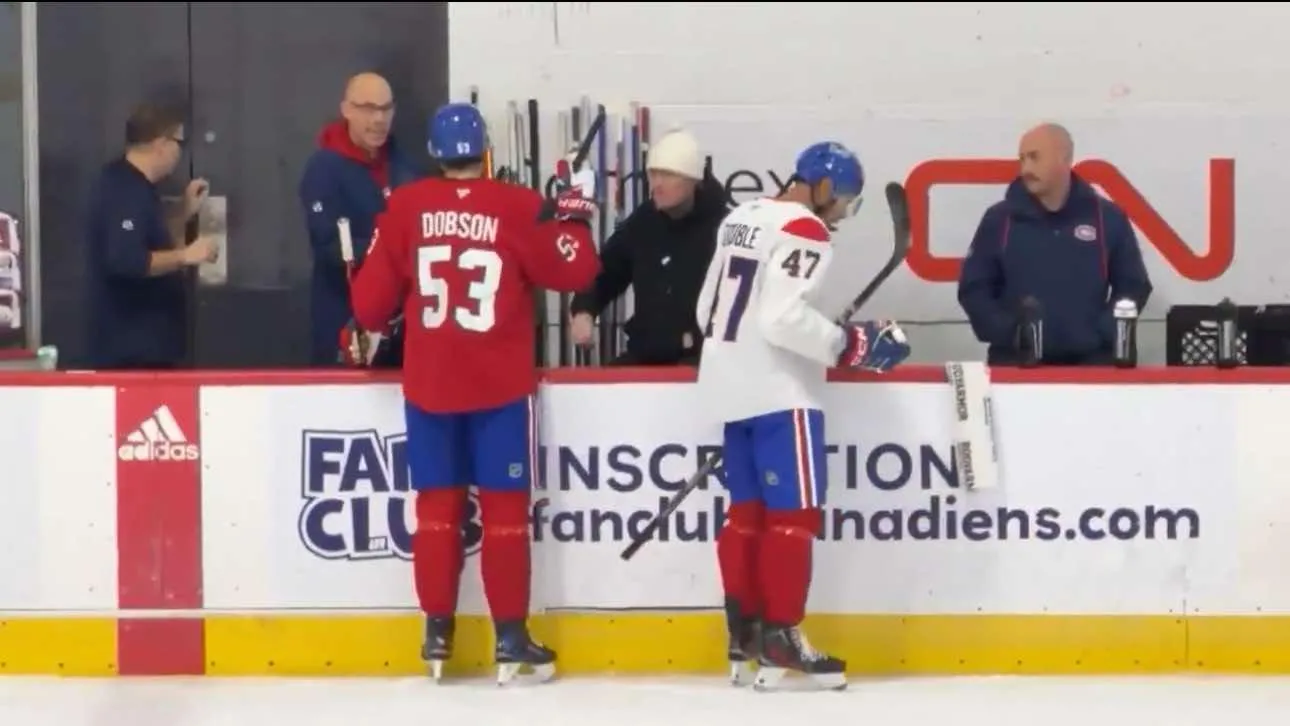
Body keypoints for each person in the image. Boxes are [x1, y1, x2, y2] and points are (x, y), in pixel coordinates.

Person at [348, 102, 600, 685]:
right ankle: (510, 639)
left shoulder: (406, 206)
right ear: (486, 151)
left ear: (435, 155)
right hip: (500, 390)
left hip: (431, 386)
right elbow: (576, 271)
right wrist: (574, 214)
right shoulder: (518, 206)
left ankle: (437, 635)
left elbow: (367, 307)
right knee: (506, 516)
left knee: (437, 513)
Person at [694, 141, 911, 692]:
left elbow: (706, 311)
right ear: (819, 186)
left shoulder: (740, 217)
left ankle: (743, 637)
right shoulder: (806, 230)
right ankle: (783, 635)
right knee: (792, 520)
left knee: (744, 517)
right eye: (843, 200)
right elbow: (782, 318)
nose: (840, 212)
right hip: (780, 395)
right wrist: (847, 344)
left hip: (727, 388)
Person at [957, 123, 1153, 365]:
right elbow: (974, 290)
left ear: (1065, 158)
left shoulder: (1107, 218)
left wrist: (1101, 333)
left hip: (1091, 370)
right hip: (1015, 367)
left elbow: (1133, 287)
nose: (1026, 168)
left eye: (1035, 157)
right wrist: (1011, 334)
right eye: (1022, 159)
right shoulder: (999, 220)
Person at [568, 128, 726, 365]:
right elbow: (606, 271)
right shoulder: (643, 221)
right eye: (653, 174)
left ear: (693, 179)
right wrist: (584, 310)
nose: (657, 184)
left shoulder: (725, 228)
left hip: (703, 363)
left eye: (669, 175)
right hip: (645, 358)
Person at [84, 103, 219, 369]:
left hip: (152, 348)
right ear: (161, 144)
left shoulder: (141, 189)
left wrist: (183, 212)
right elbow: (127, 260)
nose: (179, 152)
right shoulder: (123, 189)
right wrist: (186, 256)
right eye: (178, 142)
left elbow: (148, 240)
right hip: (131, 355)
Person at [298, 72, 419, 367]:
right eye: (368, 108)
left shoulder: (406, 167)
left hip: (402, 326)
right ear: (347, 110)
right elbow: (327, 246)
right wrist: (391, 253)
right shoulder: (323, 169)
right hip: (344, 319)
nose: (379, 118)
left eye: (386, 108)